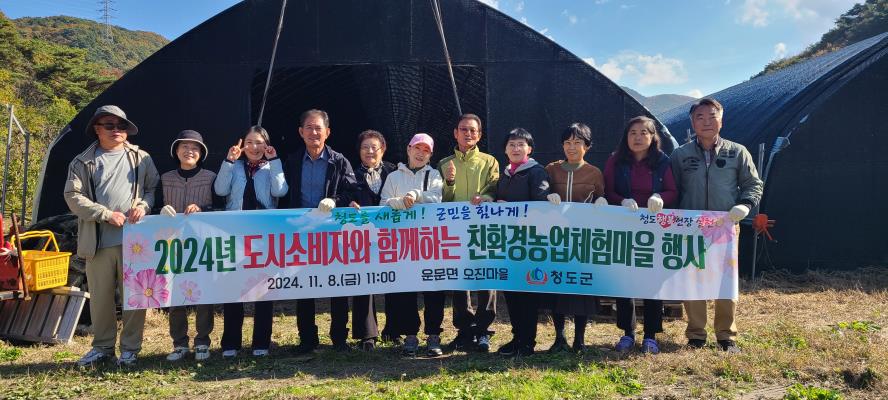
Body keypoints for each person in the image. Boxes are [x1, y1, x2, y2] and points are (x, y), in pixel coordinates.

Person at [64, 105, 159, 366]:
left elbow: (152, 188)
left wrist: (144, 206)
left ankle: (130, 349)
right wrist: (105, 214)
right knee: (101, 298)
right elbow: (72, 196)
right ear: (97, 129)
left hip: (135, 241)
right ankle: (103, 347)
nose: (116, 130)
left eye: (121, 126)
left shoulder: (141, 158)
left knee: (135, 296)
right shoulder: (82, 161)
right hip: (98, 241)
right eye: (109, 125)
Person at [671, 98, 763, 353]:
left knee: (725, 281)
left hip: (725, 227)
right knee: (693, 279)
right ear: (692, 123)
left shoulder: (738, 152)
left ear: (721, 121)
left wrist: (745, 205)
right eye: (700, 117)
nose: (706, 122)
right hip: (691, 227)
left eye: (712, 116)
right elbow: (672, 189)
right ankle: (696, 335)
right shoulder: (680, 155)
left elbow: (753, 184)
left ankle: (726, 335)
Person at [283, 109, 357, 354]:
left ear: (328, 132)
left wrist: (335, 200)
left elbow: (352, 191)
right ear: (300, 132)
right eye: (309, 128)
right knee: (304, 285)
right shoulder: (292, 161)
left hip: (333, 233)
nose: (314, 132)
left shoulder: (339, 161)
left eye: (318, 128)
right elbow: (282, 195)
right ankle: (307, 339)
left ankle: (339, 338)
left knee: (337, 285)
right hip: (302, 233)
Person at [604, 116, 678, 355]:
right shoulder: (615, 160)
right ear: (626, 137)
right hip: (624, 227)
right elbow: (607, 191)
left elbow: (673, 191)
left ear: (653, 136)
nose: (637, 137)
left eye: (643, 132)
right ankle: (628, 333)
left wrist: (660, 197)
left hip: (652, 229)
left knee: (651, 280)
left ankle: (650, 335)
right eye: (632, 133)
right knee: (625, 281)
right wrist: (621, 201)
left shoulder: (663, 161)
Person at [214, 125, 288, 357]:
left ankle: (261, 343)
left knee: (263, 289)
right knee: (233, 287)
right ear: (242, 145)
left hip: (263, 234)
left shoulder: (271, 167)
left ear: (266, 145)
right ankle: (231, 344)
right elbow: (220, 189)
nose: (254, 147)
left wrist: (274, 161)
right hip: (235, 233)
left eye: (259, 143)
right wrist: (228, 161)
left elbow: (280, 191)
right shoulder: (234, 166)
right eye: (249, 142)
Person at [436, 113, 500, 352]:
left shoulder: (489, 161)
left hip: (484, 228)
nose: (468, 134)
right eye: (463, 129)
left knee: (486, 276)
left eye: (473, 130)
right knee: (459, 278)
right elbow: (441, 200)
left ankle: (483, 330)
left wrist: (485, 197)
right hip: (454, 230)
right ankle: (464, 330)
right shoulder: (444, 164)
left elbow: (495, 188)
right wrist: (450, 182)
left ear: (479, 135)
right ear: (455, 133)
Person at [378, 133, 445, 357]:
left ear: (430, 155)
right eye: (417, 148)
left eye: (426, 150)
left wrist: (417, 195)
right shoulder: (394, 177)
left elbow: (437, 198)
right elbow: (382, 204)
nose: (420, 153)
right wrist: (394, 203)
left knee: (433, 290)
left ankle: (433, 335)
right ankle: (410, 335)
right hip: (402, 244)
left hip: (430, 241)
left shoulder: (434, 174)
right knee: (406, 290)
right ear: (408, 149)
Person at [543, 123, 607, 353]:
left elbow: (601, 198)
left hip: (583, 238)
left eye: (577, 142)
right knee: (557, 284)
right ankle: (559, 337)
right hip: (556, 237)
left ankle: (580, 339)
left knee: (581, 287)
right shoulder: (551, 169)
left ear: (587, 146)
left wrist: (602, 201)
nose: (571, 147)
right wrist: (546, 195)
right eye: (567, 142)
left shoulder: (594, 172)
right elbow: (541, 191)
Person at [156, 130, 218, 361]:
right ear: (176, 150)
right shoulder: (165, 178)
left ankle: (202, 342)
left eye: (195, 147)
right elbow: (153, 206)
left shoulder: (211, 177)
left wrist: (203, 209)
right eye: (184, 146)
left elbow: (221, 208)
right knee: (174, 295)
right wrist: (160, 210)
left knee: (204, 295)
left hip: (201, 244)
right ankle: (179, 344)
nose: (189, 151)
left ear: (201, 153)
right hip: (171, 243)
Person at [493, 128, 555, 357]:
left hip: (528, 242)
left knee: (526, 293)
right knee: (511, 291)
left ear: (529, 149)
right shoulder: (505, 173)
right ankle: (517, 337)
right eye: (511, 144)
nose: (516, 148)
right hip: (508, 242)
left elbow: (541, 205)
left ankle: (527, 342)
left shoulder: (537, 172)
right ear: (505, 149)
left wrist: (510, 209)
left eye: (521, 144)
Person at [347, 130, 397, 350]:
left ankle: (394, 330)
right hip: (363, 236)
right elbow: (345, 195)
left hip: (393, 235)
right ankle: (367, 335)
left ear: (382, 149)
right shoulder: (351, 174)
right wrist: (349, 203)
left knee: (395, 280)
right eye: (364, 147)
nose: (369, 151)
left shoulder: (394, 171)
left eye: (374, 147)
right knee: (363, 281)